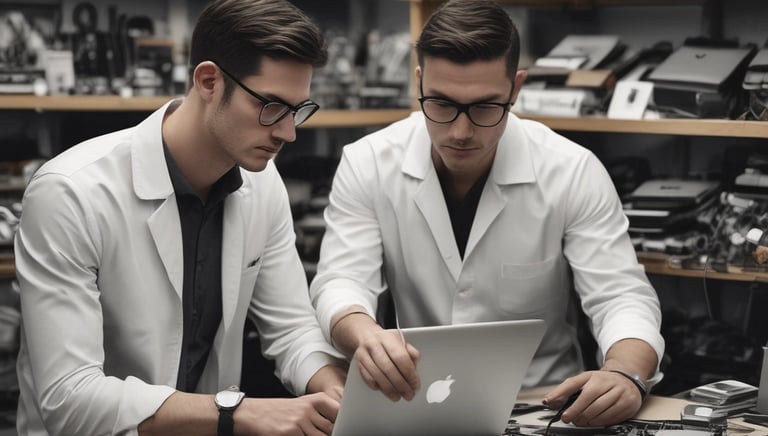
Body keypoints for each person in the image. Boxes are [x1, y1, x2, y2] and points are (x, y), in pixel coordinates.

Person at [310, 0, 665, 428]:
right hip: (418, 401)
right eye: (440, 104)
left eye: (484, 107)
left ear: (516, 89)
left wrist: (626, 372)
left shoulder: (572, 169)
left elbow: (620, 295)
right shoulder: (367, 161)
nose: (460, 131)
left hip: (544, 408)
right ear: (418, 81)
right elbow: (341, 279)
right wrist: (365, 334)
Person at [14, 1, 348, 435]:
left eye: (299, 109)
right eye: (271, 107)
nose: (288, 133)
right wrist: (237, 413)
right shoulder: (70, 193)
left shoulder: (262, 184)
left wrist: (333, 388)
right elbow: (70, 398)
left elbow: (291, 328)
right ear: (208, 81)